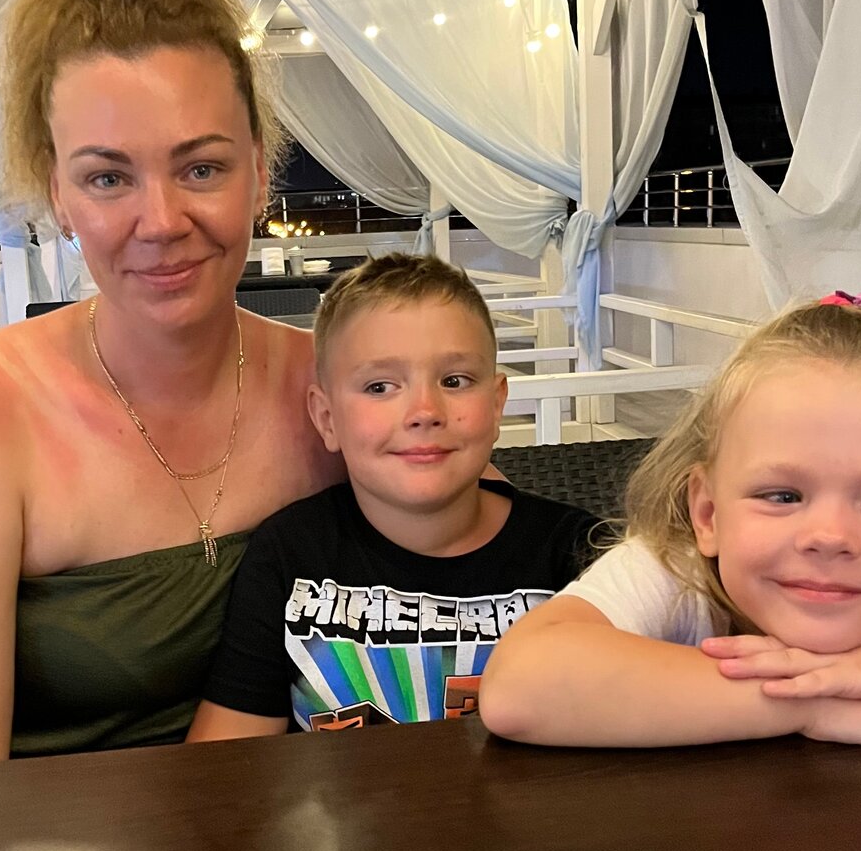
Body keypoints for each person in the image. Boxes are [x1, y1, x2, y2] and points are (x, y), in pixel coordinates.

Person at [0, 0, 345, 768]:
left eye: (201, 169)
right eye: (107, 178)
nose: (160, 222)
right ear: (57, 192)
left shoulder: (336, 385)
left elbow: (499, 570)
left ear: (258, 170)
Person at [480, 293, 861, 751]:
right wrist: (809, 703)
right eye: (782, 495)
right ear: (708, 514)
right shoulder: (678, 573)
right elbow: (521, 687)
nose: (830, 537)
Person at [186, 253, 597, 738]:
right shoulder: (288, 554)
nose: (424, 411)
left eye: (454, 381)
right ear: (327, 419)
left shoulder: (578, 554)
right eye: (380, 386)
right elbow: (225, 753)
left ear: (496, 404)